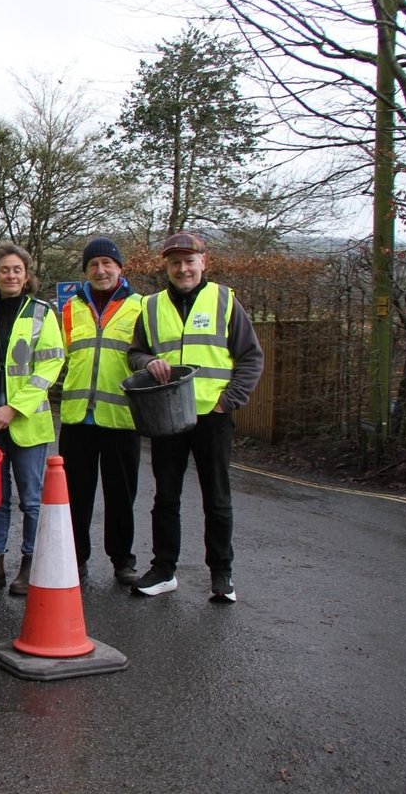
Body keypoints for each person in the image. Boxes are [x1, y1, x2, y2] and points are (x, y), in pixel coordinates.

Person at [127, 231, 263, 602]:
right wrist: (149, 361)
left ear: (204, 261)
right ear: (167, 267)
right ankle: (164, 569)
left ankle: (221, 574)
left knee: (216, 497)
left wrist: (228, 401)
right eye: (175, 262)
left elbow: (251, 357)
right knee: (165, 497)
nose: (183, 268)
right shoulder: (151, 306)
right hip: (166, 414)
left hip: (211, 415)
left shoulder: (224, 301)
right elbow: (136, 353)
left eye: (189, 261)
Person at [0, 242, 65, 593]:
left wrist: (14, 408)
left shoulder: (42, 312)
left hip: (27, 422)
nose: (10, 275)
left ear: (27, 277)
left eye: (17, 270)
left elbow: (51, 364)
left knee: (31, 499)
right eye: (4, 270)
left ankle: (30, 563)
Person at [60, 237, 143, 587]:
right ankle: (76, 559)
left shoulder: (141, 307)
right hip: (78, 416)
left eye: (107, 263)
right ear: (85, 271)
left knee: (121, 494)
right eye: (93, 264)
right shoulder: (69, 308)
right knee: (75, 495)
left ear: (120, 268)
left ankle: (122, 560)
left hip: (122, 417)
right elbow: (59, 357)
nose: (101, 270)